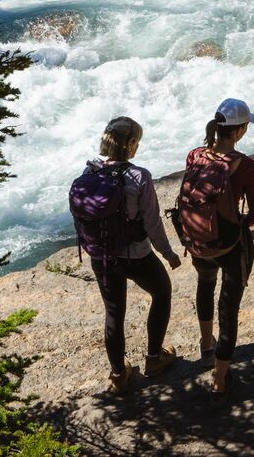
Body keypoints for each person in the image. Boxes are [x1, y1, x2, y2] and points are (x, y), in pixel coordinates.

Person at [72, 116, 182, 395]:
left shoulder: (88, 173)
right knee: (162, 292)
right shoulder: (138, 177)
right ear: (131, 143)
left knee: (113, 312)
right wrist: (168, 254)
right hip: (136, 255)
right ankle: (154, 359)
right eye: (137, 142)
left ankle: (119, 375)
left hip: (103, 256)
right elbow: (152, 223)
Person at [178, 97, 254, 403]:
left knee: (205, 284)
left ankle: (205, 346)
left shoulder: (194, 155)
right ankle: (220, 378)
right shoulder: (244, 164)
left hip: (198, 242)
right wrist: (233, 220)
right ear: (239, 130)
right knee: (229, 308)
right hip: (229, 244)